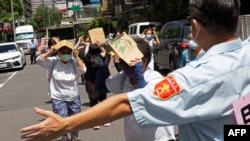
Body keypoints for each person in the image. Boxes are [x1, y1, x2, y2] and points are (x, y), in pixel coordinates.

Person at [20, 1, 249, 141]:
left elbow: (126, 103)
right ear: (236, 20)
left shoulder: (194, 79)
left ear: (196, 27)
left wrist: (65, 125)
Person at [106, 38, 176, 141]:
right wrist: (104, 64)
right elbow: (101, 87)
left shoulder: (155, 78)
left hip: (159, 138)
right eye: (123, 62)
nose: (125, 66)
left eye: (129, 62)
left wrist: (139, 77)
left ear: (144, 61)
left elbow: (148, 99)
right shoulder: (124, 78)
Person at [34, 40, 87, 141]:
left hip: (73, 96)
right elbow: (39, 60)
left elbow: (83, 70)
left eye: (68, 52)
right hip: (58, 97)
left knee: (74, 120)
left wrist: (76, 57)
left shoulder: (73, 62)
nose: (66, 55)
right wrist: (50, 51)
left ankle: (74, 137)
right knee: (61, 119)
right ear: (58, 53)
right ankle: (64, 136)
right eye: (63, 52)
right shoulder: (53, 62)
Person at [82, 35, 111, 130]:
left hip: (102, 78)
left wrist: (102, 49)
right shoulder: (85, 50)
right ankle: (95, 121)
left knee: (103, 99)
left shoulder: (103, 49)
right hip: (91, 79)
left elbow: (106, 63)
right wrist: (101, 55)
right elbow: (94, 63)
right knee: (94, 99)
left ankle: (104, 119)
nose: (95, 42)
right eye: (92, 40)